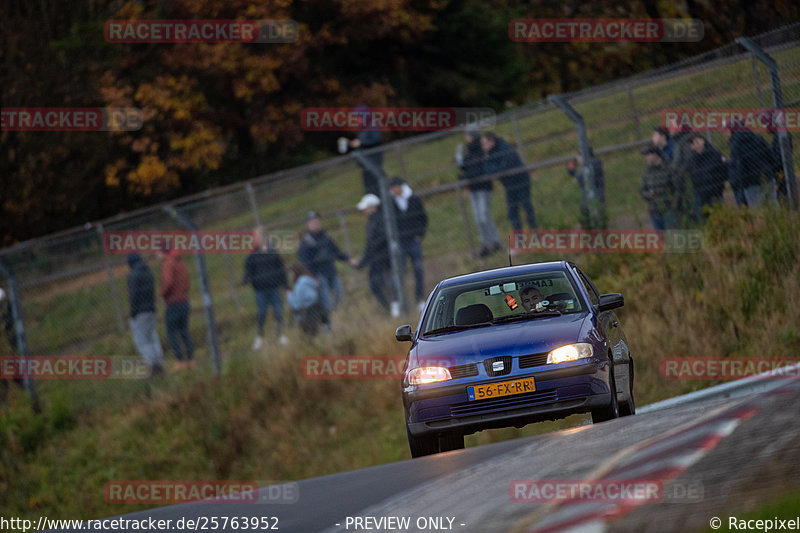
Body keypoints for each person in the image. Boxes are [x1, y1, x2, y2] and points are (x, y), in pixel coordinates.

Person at [349, 193, 399, 316]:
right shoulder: (373, 222)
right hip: (377, 259)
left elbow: (374, 243)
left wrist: (361, 262)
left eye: (366, 207)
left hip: (382, 259)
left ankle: (394, 307)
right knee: (378, 285)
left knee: (384, 284)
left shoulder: (378, 220)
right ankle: (390, 308)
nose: (364, 211)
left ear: (372, 207)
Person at [243, 226, 289, 350]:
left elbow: (281, 270)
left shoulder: (273, 252)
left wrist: (286, 286)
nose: (253, 239)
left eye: (255, 236)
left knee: (278, 311)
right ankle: (259, 337)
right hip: (260, 290)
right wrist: (246, 278)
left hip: (274, 288)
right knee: (262, 312)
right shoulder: (252, 255)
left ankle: (280, 335)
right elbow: (248, 269)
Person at [457, 127, 500, 257]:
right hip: (473, 189)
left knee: (483, 216)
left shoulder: (481, 149)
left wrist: (467, 175)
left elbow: (479, 169)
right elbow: (467, 167)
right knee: (477, 218)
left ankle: (495, 242)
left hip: (483, 188)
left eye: (467, 135)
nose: (466, 138)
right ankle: (486, 245)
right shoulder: (468, 151)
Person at [481, 132, 536, 232]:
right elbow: (488, 171)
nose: (483, 147)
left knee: (527, 207)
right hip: (509, 185)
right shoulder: (489, 155)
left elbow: (505, 167)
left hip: (521, 181)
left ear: (491, 142)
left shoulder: (505, 148)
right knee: (512, 212)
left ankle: (535, 234)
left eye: (484, 143)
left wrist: (496, 171)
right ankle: (520, 240)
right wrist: (495, 169)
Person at [298, 211, 349, 318]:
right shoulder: (306, 242)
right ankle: (330, 323)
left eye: (317, 221)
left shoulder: (325, 236)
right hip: (319, 276)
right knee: (326, 302)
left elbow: (335, 251)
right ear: (308, 224)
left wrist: (347, 259)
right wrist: (313, 276)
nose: (316, 223)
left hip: (331, 271)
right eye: (313, 221)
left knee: (340, 297)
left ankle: (341, 317)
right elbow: (305, 262)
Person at [388, 177, 428, 312]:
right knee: (399, 271)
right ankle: (397, 302)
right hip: (400, 243)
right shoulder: (391, 203)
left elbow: (422, 217)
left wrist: (419, 234)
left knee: (418, 269)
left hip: (413, 240)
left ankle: (420, 299)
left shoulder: (413, 199)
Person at [723, 122, 777, 207]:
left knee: (756, 209)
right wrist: (771, 172)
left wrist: (741, 184)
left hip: (750, 182)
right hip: (767, 177)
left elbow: (739, 168)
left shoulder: (736, 145)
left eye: (726, 130)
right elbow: (771, 157)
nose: (724, 134)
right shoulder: (759, 138)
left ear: (732, 131)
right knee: (773, 204)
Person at [157, 245, 194, 370]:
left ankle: (180, 361)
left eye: (158, 252)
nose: (157, 255)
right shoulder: (181, 262)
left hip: (173, 303)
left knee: (172, 333)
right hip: (184, 301)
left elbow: (168, 282)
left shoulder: (168, 263)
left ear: (163, 252)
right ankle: (191, 360)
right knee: (184, 331)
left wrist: (162, 296)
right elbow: (187, 281)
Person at [126, 253, 164, 376]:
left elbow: (133, 297)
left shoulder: (133, 276)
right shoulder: (148, 272)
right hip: (151, 309)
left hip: (140, 312)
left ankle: (152, 367)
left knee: (141, 341)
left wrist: (133, 314)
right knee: (152, 336)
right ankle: (159, 363)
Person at [347, 105, 384, 196]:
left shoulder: (372, 125)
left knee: (376, 187)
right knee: (369, 189)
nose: (356, 120)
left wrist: (361, 142)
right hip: (365, 165)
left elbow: (377, 139)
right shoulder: (362, 129)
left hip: (373, 162)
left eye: (358, 117)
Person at [640, 145, 678, 231]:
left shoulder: (668, 169)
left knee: (672, 237)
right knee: (660, 241)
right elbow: (642, 190)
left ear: (655, 155)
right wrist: (648, 194)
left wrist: (673, 203)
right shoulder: (647, 171)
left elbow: (677, 188)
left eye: (647, 155)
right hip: (654, 211)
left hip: (668, 210)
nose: (646, 158)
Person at [688, 134, 727, 216]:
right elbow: (694, 176)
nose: (696, 145)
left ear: (703, 141)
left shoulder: (714, 154)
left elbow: (722, 171)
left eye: (697, 142)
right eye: (693, 144)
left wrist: (718, 187)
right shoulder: (693, 159)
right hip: (702, 195)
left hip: (715, 193)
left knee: (720, 214)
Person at [567, 149, 607, 229]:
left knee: (592, 215)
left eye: (579, 157)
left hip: (595, 196)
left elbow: (583, 179)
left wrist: (573, 172)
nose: (578, 159)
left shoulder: (592, 164)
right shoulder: (591, 164)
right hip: (592, 195)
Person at [286, 263, 326, 336]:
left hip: (307, 311)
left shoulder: (300, 285)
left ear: (296, 273)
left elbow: (296, 304)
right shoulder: (308, 280)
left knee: (309, 334)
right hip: (316, 307)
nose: (290, 276)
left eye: (291, 273)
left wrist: (289, 295)